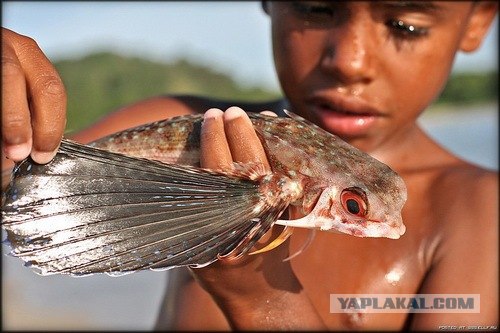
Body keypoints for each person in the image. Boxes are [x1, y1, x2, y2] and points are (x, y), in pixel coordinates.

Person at [2, 1, 498, 330]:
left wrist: (252, 285)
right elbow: (24, 195)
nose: (349, 60)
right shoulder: (191, 126)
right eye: (316, 7)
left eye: (404, 25)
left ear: (477, 21)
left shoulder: (481, 213)